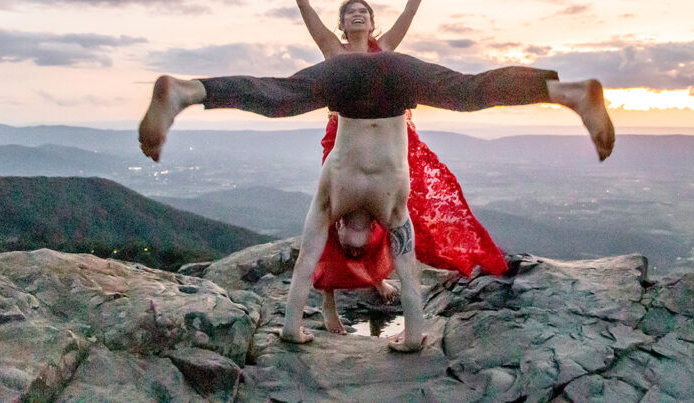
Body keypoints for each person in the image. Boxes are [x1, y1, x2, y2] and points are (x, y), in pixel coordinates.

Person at [138, 50, 615, 352]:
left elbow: (309, 260)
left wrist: (293, 329)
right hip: (390, 77)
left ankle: (190, 91)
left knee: (283, 93)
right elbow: (395, 271)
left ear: (345, 232)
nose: (356, 237)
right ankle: (564, 92)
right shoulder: (388, 207)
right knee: (465, 91)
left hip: (353, 81)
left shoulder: (347, 195)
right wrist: (411, 337)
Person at [278, 0, 507, 336]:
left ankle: (376, 277)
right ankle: (328, 308)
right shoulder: (334, 52)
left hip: (388, 144)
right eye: (350, 11)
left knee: (389, 217)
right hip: (341, 142)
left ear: (371, 20)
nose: (357, 15)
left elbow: (408, 15)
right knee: (329, 226)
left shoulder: (386, 51)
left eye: (363, 10)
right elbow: (305, 8)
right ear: (342, 23)